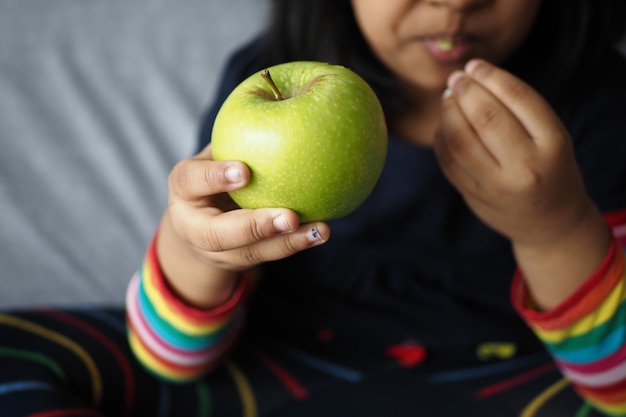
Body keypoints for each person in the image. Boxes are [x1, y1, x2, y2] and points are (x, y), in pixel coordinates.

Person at [1, 0, 625, 416]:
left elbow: (617, 386)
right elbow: (172, 359)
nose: (454, 3)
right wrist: (195, 246)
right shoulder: (262, 80)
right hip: (284, 365)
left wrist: (555, 227)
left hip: (502, 377)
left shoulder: (597, 107)